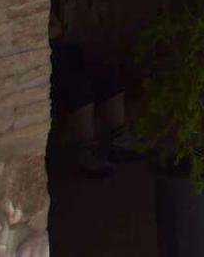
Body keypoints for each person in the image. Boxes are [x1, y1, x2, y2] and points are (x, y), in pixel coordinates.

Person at [49, 11, 138, 179]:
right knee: (78, 85)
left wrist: (50, 31)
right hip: (42, 65)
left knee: (107, 75)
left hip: (60, 54)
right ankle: (85, 152)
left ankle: (120, 140)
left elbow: (57, 28)